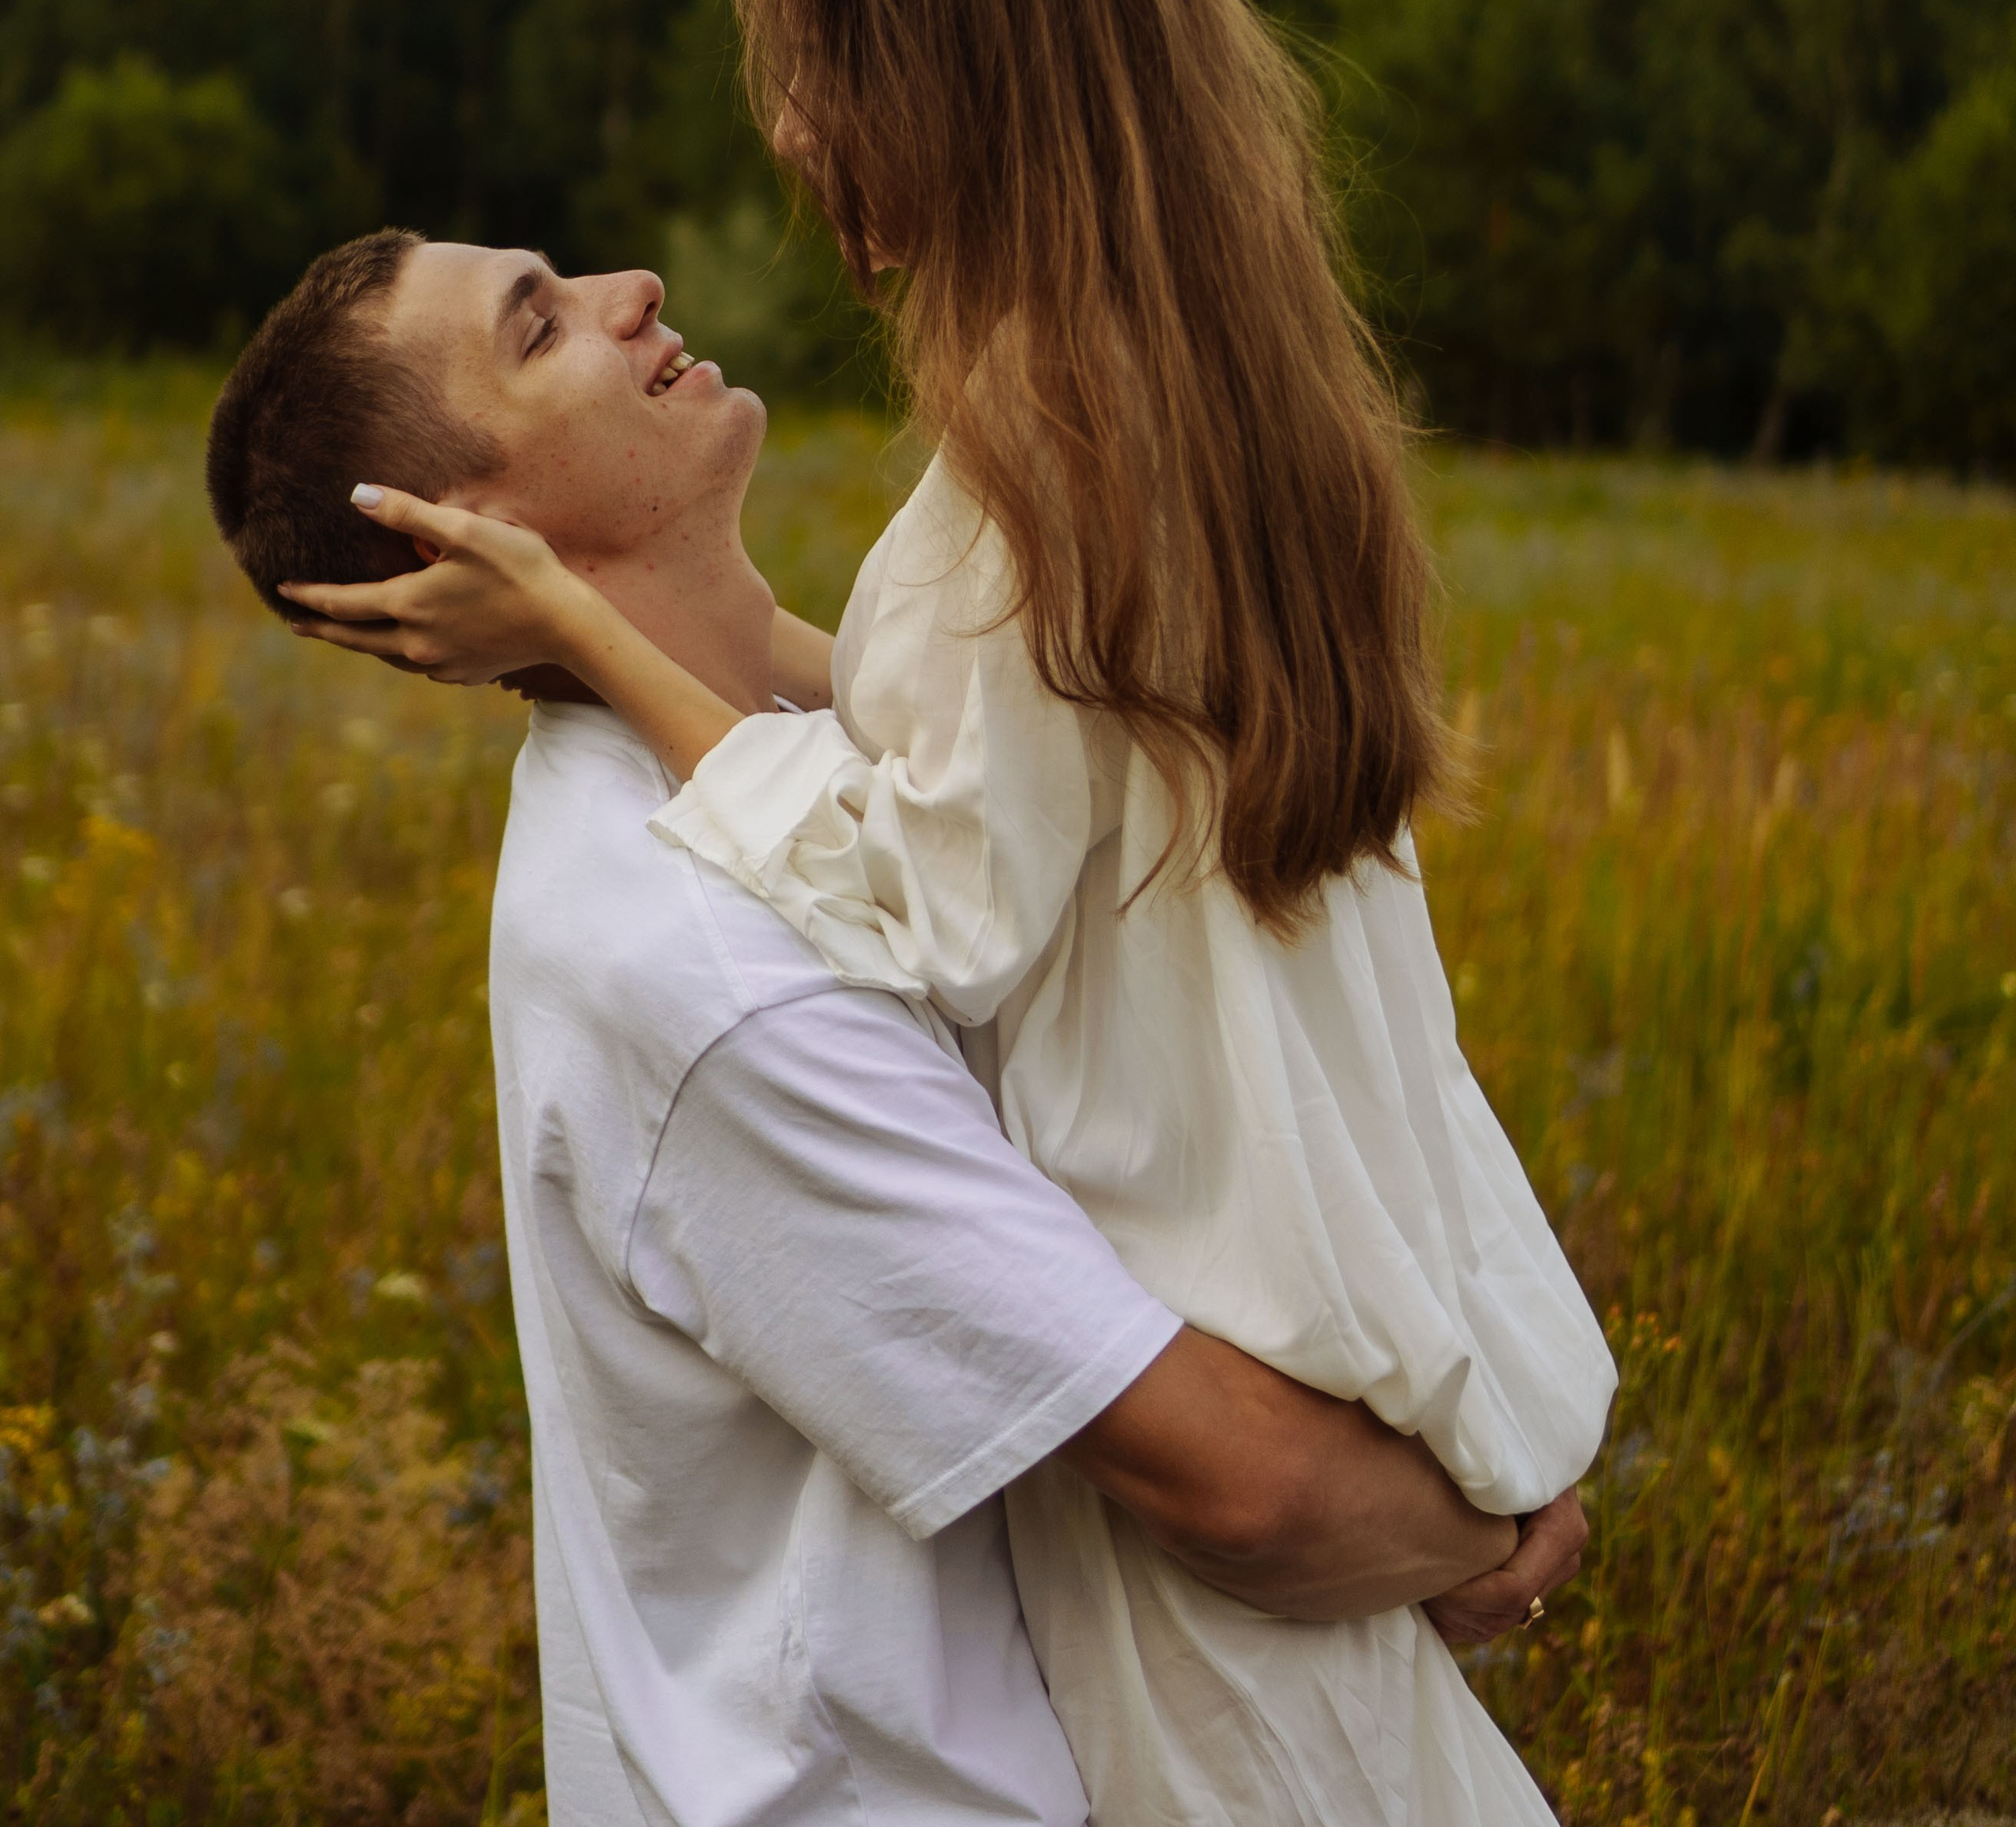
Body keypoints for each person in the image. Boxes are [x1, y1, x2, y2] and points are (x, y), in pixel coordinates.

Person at [210, 228, 1584, 1827]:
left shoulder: (811, 781)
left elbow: (862, 735)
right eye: (539, 328)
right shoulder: (705, 965)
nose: (632, 290)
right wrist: (1488, 1529)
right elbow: (1237, 1484)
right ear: (466, 532)